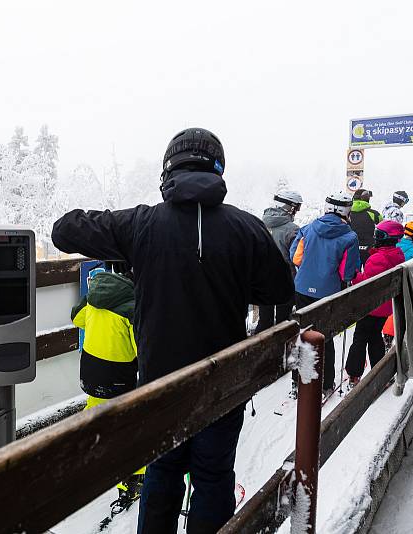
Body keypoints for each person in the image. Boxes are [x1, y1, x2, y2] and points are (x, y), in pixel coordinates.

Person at [52, 128, 295, 534]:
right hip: (223, 381)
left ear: (168, 170)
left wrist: (124, 243)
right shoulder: (246, 227)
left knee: (162, 474)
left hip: (160, 386)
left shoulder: (141, 223)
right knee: (213, 477)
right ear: (219, 169)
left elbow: (64, 231)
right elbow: (279, 289)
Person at [70, 261, 144, 512]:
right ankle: (133, 480)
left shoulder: (95, 295)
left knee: (93, 414)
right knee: (132, 425)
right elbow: (142, 352)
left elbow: (76, 318)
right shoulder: (131, 308)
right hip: (118, 379)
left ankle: (78, 461)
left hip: (90, 375)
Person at [289, 191, 361, 396]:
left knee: (303, 332)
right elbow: (348, 272)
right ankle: (325, 383)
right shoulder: (349, 236)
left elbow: (295, 258)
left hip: (302, 288)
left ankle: (298, 381)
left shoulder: (308, 228)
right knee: (325, 336)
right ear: (346, 211)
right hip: (329, 292)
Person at [345, 221, 406, 389]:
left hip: (372, 306)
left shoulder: (379, 258)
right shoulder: (397, 253)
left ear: (388, 238)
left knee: (360, 338)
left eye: (379, 235)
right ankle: (380, 373)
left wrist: (354, 276)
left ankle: (354, 373)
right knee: (374, 337)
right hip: (385, 306)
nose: (375, 238)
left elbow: (368, 284)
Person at [255, 189, 303, 334]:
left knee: (264, 321)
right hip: (285, 280)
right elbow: (297, 258)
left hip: (262, 279)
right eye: (297, 207)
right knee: (284, 322)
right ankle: (281, 353)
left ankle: (259, 353)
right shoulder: (293, 230)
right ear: (290, 207)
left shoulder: (260, 223)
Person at [349, 189, 382, 266]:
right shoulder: (373, 213)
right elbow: (383, 225)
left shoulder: (347, 212)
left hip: (352, 246)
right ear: (367, 199)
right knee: (370, 272)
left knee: (353, 273)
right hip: (369, 247)